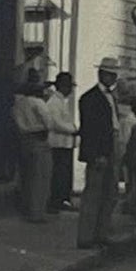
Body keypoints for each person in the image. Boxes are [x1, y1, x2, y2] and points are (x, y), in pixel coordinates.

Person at [76, 56, 122, 249]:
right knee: (93, 193)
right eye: (110, 75)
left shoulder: (111, 98)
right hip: (99, 149)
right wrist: (96, 154)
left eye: (114, 75)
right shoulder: (90, 98)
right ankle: (86, 236)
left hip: (112, 144)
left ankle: (101, 233)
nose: (113, 79)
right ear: (101, 74)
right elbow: (90, 130)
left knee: (109, 192)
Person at [11, 75, 52, 224]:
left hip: (23, 140)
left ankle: (26, 208)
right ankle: (37, 212)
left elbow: (18, 124)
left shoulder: (17, 105)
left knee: (26, 176)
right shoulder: (38, 103)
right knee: (40, 177)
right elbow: (49, 122)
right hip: (39, 138)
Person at [43, 71, 78, 211]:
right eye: (69, 86)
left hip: (65, 143)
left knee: (64, 174)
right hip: (58, 143)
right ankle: (57, 200)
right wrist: (73, 130)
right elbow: (55, 123)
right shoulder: (54, 102)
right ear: (63, 86)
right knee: (59, 174)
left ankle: (63, 199)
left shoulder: (61, 101)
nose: (70, 90)